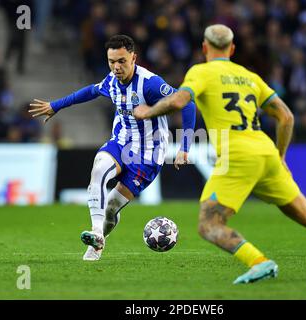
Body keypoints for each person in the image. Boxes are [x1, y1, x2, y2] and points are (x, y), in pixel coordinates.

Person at [134, 24, 306, 283]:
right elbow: (286, 116)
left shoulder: (201, 72)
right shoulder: (249, 76)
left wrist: (146, 112)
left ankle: (260, 262)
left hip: (238, 156)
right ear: (233, 48)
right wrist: (281, 156)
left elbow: (178, 101)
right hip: (266, 152)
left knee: (210, 225)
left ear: (204, 47)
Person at [29, 35, 196, 261]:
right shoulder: (112, 80)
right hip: (121, 142)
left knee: (111, 209)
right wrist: (55, 106)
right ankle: (96, 234)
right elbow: (90, 91)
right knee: (98, 169)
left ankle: (99, 239)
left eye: (121, 61)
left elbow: (188, 104)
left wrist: (184, 147)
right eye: (111, 61)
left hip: (147, 156)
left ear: (133, 58)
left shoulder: (150, 83)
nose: (116, 67)